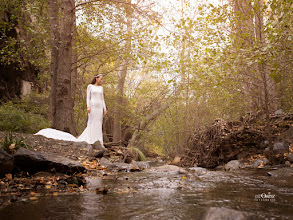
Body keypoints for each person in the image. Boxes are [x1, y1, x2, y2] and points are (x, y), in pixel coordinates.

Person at [77, 74, 107, 145]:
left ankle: (98, 140)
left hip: (99, 108)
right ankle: (90, 139)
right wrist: (88, 106)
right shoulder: (90, 86)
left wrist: (104, 108)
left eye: (102, 79)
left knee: (99, 123)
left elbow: (102, 99)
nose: (101, 80)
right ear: (96, 79)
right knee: (92, 122)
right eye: (101, 79)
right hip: (93, 107)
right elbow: (88, 97)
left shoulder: (101, 88)